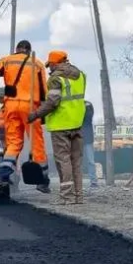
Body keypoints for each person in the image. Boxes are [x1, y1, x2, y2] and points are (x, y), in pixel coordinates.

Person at [0, 40, 50, 192]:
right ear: (28, 51)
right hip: (31, 108)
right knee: (37, 143)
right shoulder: (37, 64)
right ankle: (42, 180)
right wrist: (41, 114)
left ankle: (2, 175)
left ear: (17, 49)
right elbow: (44, 90)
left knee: (13, 143)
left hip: (11, 107)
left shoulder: (7, 60)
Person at [29, 51, 87, 204]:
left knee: (63, 161)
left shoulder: (55, 79)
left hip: (61, 126)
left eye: (50, 65)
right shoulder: (81, 75)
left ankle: (66, 197)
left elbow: (52, 102)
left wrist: (36, 114)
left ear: (55, 63)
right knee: (76, 162)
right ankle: (78, 196)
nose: (49, 69)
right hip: (77, 124)